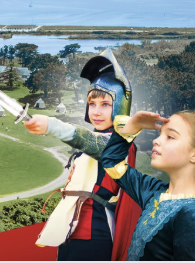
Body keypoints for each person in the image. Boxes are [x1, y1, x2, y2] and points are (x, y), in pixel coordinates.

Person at [23, 49, 142, 260]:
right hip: (70, 231)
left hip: (96, 234)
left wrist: (52, 126)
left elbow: (93, 143)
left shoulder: (122, 142)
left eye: (106, 104)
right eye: (92, 104)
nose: (96, 111)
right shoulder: (101, 136)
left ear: (120, 106)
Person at [100, 110, 195, 260]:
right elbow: (111, 162)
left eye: (170, 137)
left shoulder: (193, 214)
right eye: (160, 134)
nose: (156, 140)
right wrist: (133, 125)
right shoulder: (155, 191)